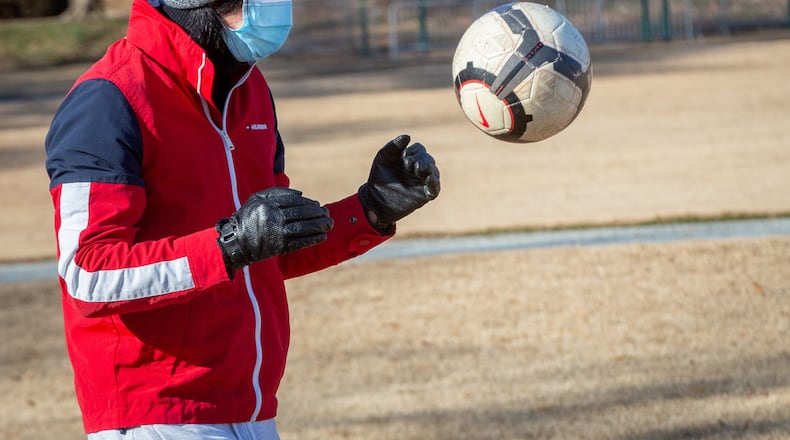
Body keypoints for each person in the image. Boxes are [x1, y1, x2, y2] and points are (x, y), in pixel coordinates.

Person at [44, 0, 440, 438]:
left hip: (252, 410)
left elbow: (270, 247)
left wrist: (370, 210)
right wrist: (229, 244)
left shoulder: (250, 90)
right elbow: (87, 274)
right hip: (157, 416)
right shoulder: (108, 97)